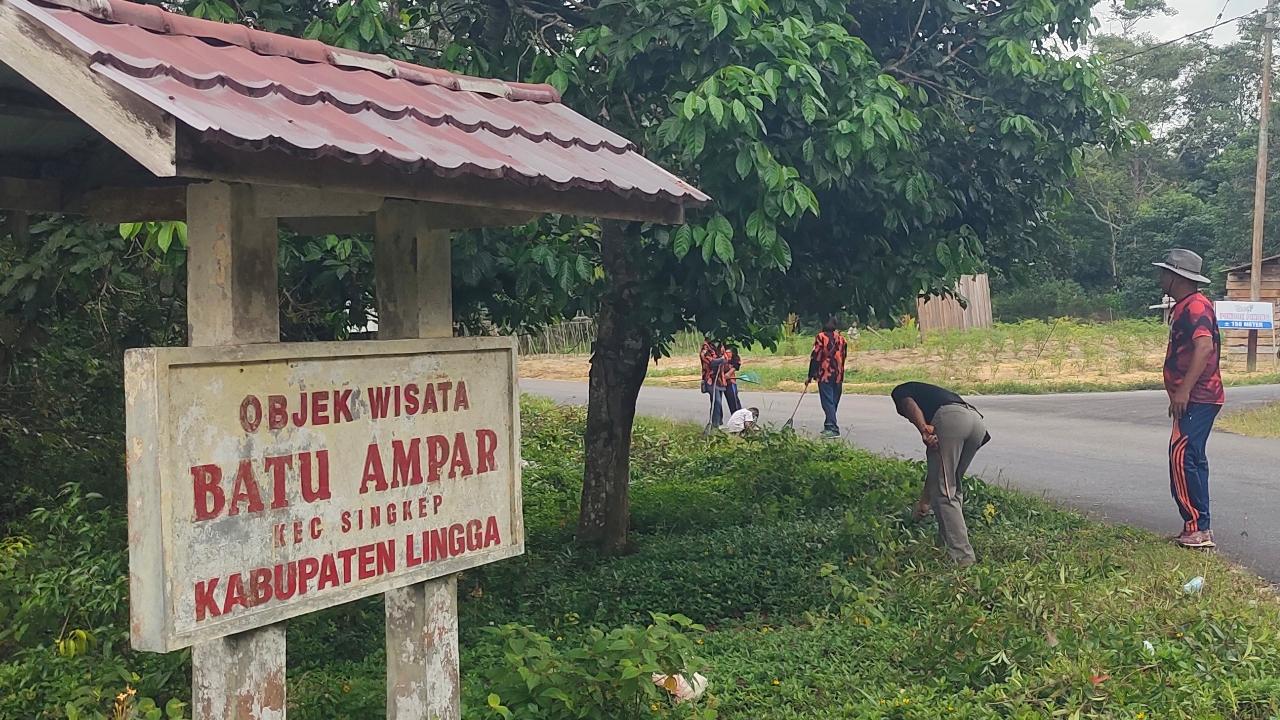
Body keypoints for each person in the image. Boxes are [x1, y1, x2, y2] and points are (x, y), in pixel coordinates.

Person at [1153, 249, 1225, 549]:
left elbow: (1204, 347)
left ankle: (1197, 528)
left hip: (1198, 397)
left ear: (1176, 277)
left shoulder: (1195, 306)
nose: (1160, 277)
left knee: (1182, 457)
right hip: (1196, 397)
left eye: (1164, 273)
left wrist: (1183, 390)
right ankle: (1199, 526)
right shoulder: (1186, 306)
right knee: (1192, 457)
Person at [891, 381, 991, 567]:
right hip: (977, 423)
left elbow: (909, 405)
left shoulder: (900, 391)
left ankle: (963, 559)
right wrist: (925, 500)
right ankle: (945, 546)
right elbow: (937, 473)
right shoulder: (933, 395)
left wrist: (923, 429)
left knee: (945, 493)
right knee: (951, 487)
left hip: (952, 420)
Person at [806, 316, 848, 438]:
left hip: (825, 374)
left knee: (827, 401)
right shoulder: (842, 339)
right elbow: (844, 356)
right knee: (833, 401)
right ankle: (829, 424)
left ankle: (832, 427)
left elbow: (816, 357)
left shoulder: (821, 337)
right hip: (838, 375)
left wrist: (810, 375)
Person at [699, 337, 729, 427]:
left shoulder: (721, 345)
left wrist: (722, 360)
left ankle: (718, 422)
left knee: (717, 402)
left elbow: (726, 359)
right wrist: (721, 360)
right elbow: (710, 362)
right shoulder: (705, 347)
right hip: (710, 379)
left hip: (720, 379)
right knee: (717, 401)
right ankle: (714, 424)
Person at [723, 345, 743, 414]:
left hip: (730, 382)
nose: (727, 354)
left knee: (734, 401)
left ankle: (738, 416)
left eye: (728, 353)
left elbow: (736, 365)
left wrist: (728, 373)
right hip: (720, 382)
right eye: (726, 353)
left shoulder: (735, 359)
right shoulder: (721, 357)